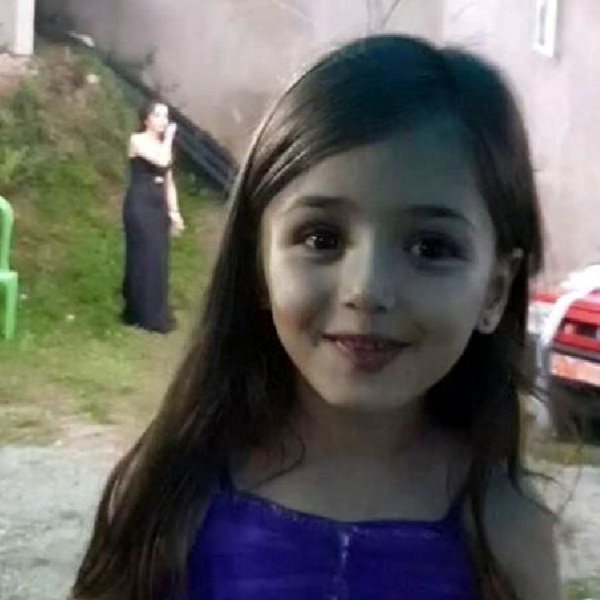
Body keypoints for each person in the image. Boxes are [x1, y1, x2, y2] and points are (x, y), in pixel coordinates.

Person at [72, 35, 561, 600]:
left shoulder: (508, 536)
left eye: (430, 247)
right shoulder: (171, 501)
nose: (367, 291)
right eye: (321, 238)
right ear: (258, 264)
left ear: (495, 289)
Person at [121, 101, 185, 334]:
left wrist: (174, 212)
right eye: (157, 115)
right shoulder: (137, 140)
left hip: (158, 206)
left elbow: (169, 181)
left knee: (158, 257)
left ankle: (156, 311)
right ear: (146, 119)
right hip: (140, 204)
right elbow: (160, 161)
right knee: (143, 256)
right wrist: (169, 138)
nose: (163, 121)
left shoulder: (163, 146)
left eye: (166, 116)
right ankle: (140, 313)